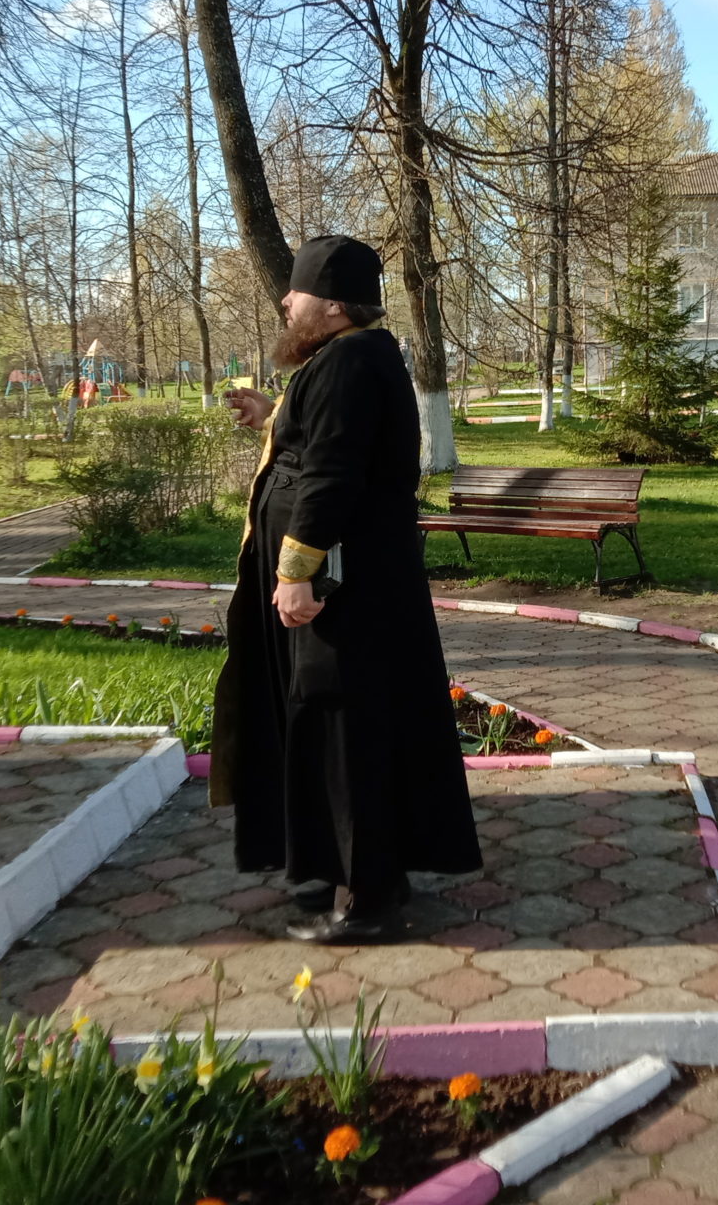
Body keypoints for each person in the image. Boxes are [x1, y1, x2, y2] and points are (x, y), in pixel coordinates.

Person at [210, 234, 481, 943]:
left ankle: (368, 902)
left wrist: (296, 575)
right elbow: (328, 441)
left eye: (296, 292)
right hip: (357, 577)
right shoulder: (348, 358)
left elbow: (332, 476)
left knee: (345, 727)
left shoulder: (349, 362)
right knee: (346, 722)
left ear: (332, 304)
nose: (285, 301)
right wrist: (275, 416)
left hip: (341, 586)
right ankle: (357, 871)